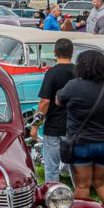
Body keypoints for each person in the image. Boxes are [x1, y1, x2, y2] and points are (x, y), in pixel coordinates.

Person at [56, 50, 104, 208]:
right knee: (102, 183)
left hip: (81, 144)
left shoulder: (73, 85)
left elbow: (58, 101)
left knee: (82, 185)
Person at [30, 38, 75, 182]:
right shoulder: (79, 72)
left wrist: (35, 127)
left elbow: (44, 102)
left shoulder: (51, 73)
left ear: (55, 53)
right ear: (72, 53)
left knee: (51, 168)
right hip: (75, 126)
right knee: (77, 169)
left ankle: (52, 197)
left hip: (54, 126)